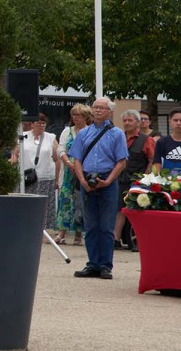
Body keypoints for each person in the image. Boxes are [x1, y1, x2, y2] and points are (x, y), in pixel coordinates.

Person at [64, 96, 127, 281]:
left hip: (107, 180)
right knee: (90, 226)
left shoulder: (117, 134)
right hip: (87, 180)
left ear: (110, 111)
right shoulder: (84, 133)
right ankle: (92, 264)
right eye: (95, 107)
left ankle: (105, 265)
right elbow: (76, 159)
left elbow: (121, 161)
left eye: (102, 107)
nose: (98, 110)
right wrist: (82, 181)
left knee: (106, 226)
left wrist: (108, 181)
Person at [13, 114, 59, 234]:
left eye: (43, 123)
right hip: (26, 177)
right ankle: (24, 227)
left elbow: (56, 159)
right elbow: (15, 155)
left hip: (44, 177)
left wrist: (57, 179)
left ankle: (40, 230)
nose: (41, 125)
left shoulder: (51, 137)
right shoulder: (22, 136)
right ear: (32, 124)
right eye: (39, 123)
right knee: (24, 203)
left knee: (42, 206)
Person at [116, 109, 153, 252]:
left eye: (130, 120)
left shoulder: (146, 139)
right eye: (124, 120)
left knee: (137, 211)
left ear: (138, 123)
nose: (127, 123)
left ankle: (137, 241)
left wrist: (144, 179)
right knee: (119, 209)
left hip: (138, 181)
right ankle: (115, 240)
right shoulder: (119, 137)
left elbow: (151, 160)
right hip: (120, 179)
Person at [53, 103, 90, 245]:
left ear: (85, 117)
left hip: (84, 171)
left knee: (80, 201)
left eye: (78, 115)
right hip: (68, 172)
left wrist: (80, 166)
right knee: (65, 200)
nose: (75, 117)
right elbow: (61, 149)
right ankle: (61, 233)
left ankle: (78, 234)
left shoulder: (90, 131)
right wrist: (68, 163)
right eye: (73, 115)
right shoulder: (67, 131)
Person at [154, 110, 181, 175]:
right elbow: (157, 164)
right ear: (170, 122)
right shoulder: (161, 142)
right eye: (175, 120)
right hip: (167, 180)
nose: (178, 123)